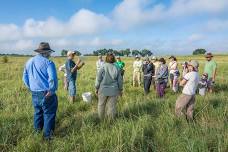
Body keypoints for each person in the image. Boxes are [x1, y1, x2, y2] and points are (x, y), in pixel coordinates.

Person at [23, 42, 58, 140]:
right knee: (49, 114)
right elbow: (52, 79)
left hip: (34, 92)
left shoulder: (29, 62)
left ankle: (37, 134)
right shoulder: (48, 63)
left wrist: (31, 87)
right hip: (47, 92)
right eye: (49, 52)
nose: (50, 55)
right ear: (46, 52)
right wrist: (51, 90)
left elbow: (24, 77)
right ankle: (48, 137)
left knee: (38, 112)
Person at [95, 53, 123, 120]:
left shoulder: (103, 66)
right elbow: (120, 81)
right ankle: (110, 121)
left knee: (101, 105)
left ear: (106, 59)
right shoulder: (117, 67)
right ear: (114, 59)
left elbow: (98, 79)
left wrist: (96, 87)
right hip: (114, 90)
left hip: (103, 90)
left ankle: (101, 119)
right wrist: (120, 89)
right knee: (112, 107)